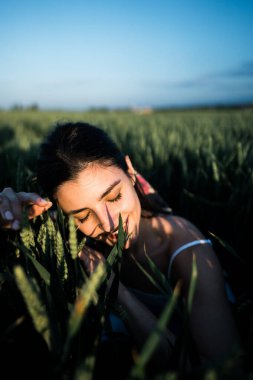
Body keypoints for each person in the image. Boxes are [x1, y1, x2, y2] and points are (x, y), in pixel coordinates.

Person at [0, 121, 243, 377]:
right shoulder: (72, 237)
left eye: (114, 197)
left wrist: (116, 291)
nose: (109, 224)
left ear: (130, 171)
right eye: (83, 216)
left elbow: (227, 371)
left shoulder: (188, 250)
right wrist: (10, 221)